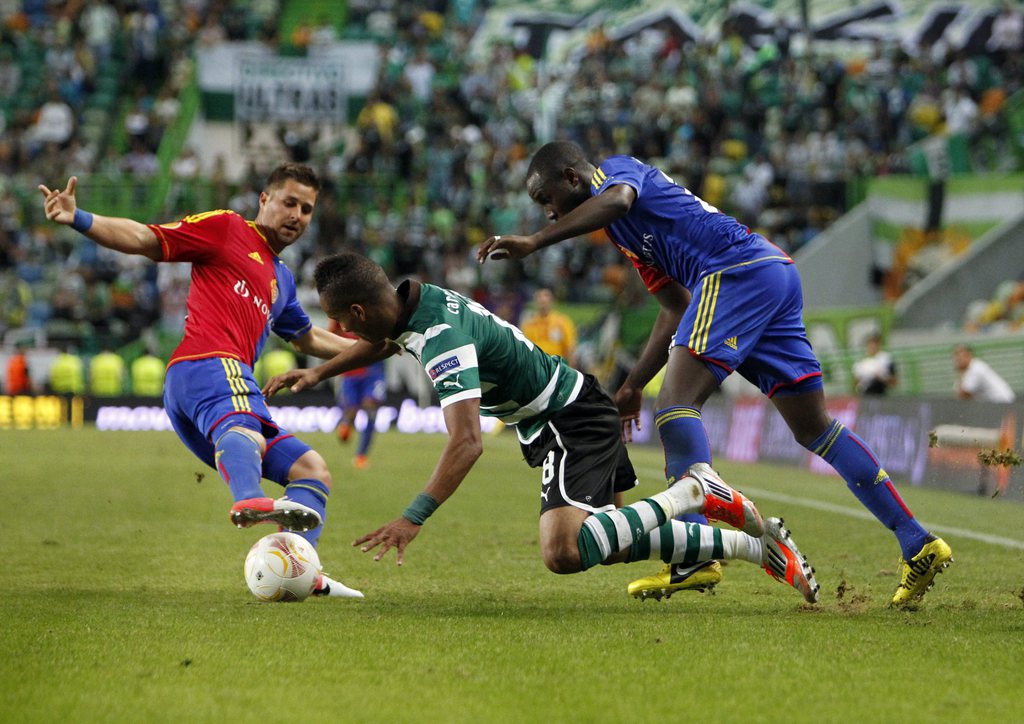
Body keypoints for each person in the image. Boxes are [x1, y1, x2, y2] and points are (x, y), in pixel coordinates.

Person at [477, 141, 952, 607]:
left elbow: (617, 200)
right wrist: (633, 384)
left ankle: (695, 553)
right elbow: (675, 309)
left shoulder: (618, 175)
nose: (549, 214)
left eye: (547, 201)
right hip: (770, 273)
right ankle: (917, 542)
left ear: (572, 179)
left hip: (736, 270)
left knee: (678, 405)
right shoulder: (627, 236)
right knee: (815, 428)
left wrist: (536, 244)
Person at [263, 251, 821, 603]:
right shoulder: (415, 301)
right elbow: (383, 342)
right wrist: (320, 369)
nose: (338, 329)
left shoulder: (441, 342)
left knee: (564, 550)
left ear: (355, 312)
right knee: (614, 538)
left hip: (565, 419)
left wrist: (413, 518)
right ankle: (755, 544)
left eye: (338, 322)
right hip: (566, 410)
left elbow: (466, 442)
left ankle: (693, 491)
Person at [39, 164, 362, 598]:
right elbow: (146, 239)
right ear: (264, 200)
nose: (298, 216)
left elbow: (307, 338)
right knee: (244, 425)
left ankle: (303, 572)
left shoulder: (281, 278)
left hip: (214, 394)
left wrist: (377, 347)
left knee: (313, 470)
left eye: (306, 209)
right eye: (290, 202)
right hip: (207, 365)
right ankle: (248, 497)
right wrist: (80, 218)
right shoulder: (227, 228)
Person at [328, 321, 386, 469]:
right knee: (351, 411)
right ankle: (346, 423)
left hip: (373, 369)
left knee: (371, 408)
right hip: (351, 371)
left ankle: (361, 455)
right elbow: (330, 336)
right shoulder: (339, 312)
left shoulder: (375, 306)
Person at [519, 287, 578, 367]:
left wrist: (571, 373)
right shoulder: (528, 324)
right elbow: (523, 351)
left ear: (553, 300)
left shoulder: (562, 322)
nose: (543, 300)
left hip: (557, 368)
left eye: (546, 296)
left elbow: (570, 349)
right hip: (535, 369)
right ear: (535, 301)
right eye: (539, 296)